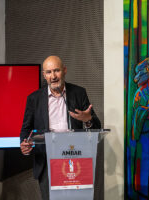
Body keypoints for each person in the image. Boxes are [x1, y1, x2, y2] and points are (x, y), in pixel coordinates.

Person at [20, 55, 101, 200]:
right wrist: (24, 144)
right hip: (46, 160)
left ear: (64, 70)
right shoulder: (34, 98)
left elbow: (96, 125)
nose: (53, 76)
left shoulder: (78, 93)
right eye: (49, 72)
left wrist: (88, 119)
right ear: (44, 75)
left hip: (75, 158)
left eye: (56, 71)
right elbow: (26, 129)